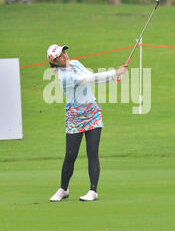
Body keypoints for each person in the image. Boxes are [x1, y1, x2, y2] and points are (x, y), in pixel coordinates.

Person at [47, 44, 128, 202]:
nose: (65, 55)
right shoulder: (63, 77)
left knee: (92, 152)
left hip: (92, 112)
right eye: (60, 55)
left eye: (64, 52)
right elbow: (88, 78)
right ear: (54, 62)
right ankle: (63, 189)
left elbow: (93, 81)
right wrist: (114, 72)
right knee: (70, 155)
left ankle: (93, 191)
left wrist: (114, 77)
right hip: (74, 116)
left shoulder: (76, 63)